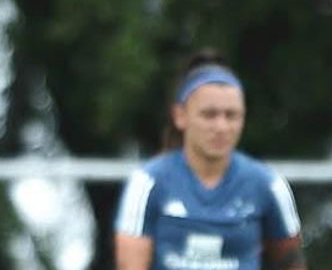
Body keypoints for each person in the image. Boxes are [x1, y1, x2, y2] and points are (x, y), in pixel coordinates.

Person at [114, 49, 306, 270]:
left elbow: (291, 262)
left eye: (231, 115)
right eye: (209, 115)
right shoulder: (147, 183)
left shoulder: (269, 185)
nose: (221, 127)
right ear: (180, 116)